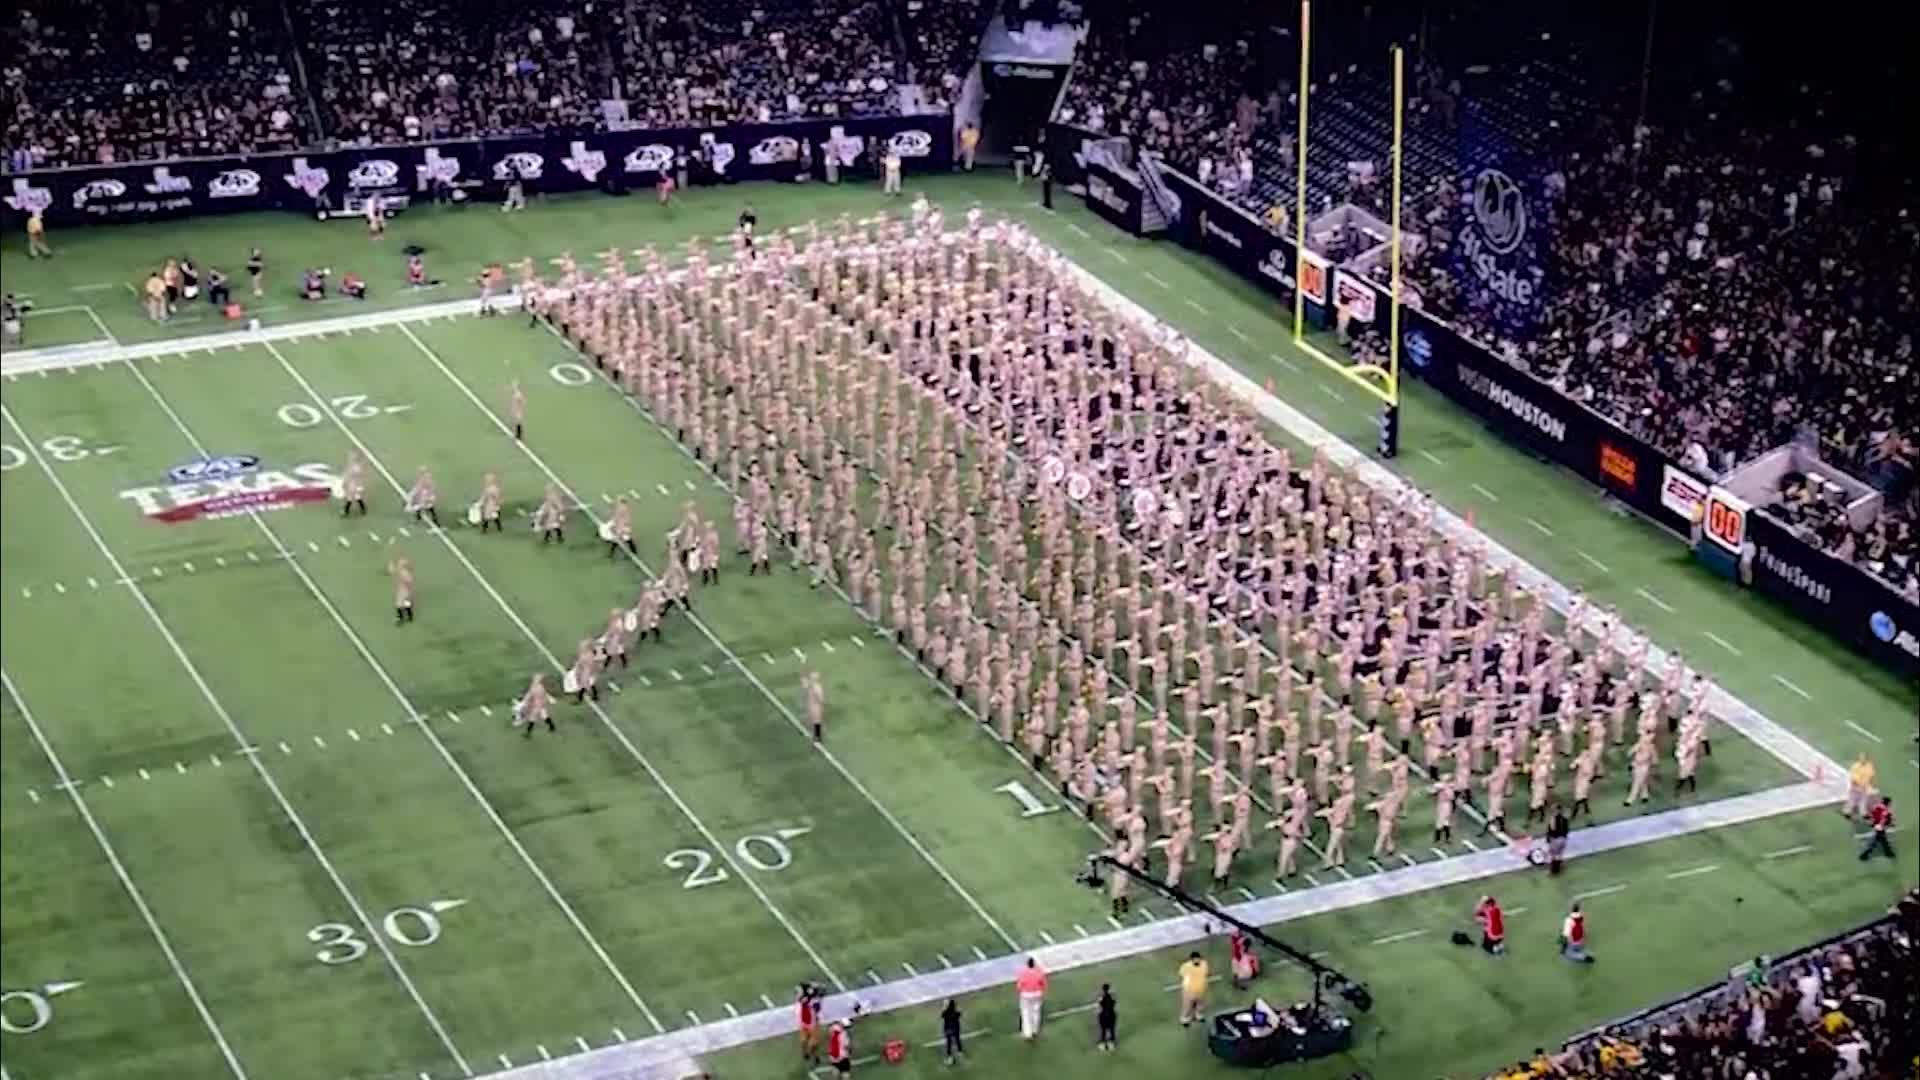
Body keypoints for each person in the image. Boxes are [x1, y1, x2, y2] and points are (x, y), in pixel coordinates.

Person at [1015, 957, 1048, 1039]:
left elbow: (1019, 986)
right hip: (1037, 994)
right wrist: (1042, 992)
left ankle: (1027, 1033)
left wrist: (1021, 992)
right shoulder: (1039, 971)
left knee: (1026, 1013)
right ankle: (1035, 1030)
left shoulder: (1023, 972)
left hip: (1026, 994)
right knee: (1036, 1012)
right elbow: (1044, 983)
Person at [1177, 950, 1209, 1026]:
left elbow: (1206, 973)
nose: (1197, 960)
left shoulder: (1204, 964)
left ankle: (1198, 1015)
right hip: (1189, 990)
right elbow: (1181, 975)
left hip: (1201, 988)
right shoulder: (1186, 966)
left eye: (1198, 958)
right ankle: (1184, 1019)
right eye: (1195, 959)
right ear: (1191, 959)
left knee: (1200, 1004)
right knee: (1187, 1006)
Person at [1859, 796, 1894, 861]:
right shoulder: (1886, 810)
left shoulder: (1877, 807)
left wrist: (1868, 819)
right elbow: (1885, 820)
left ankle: (1888, 852)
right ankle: (1865, 854)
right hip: (1880, 828)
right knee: (1876, 841)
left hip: (1876, 826)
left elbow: (1872, 814)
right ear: (1888, 803)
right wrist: (1890, 824)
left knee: (1882, 841)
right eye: (1890, 803)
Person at [1844, 753, 1876, 820]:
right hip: (1856, 786)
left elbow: (1871, 776)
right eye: (1862, 758)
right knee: (1852, 799)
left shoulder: (1869, 766)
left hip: (1865, 786)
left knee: (1863, 800)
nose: (1863, 760)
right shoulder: (1856, 766)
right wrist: (1857, 786)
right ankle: (1848, 812)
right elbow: (1853, 778)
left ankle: (1863, 813)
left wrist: (1871, 785)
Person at [1545, 804, 1571, 875]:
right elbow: (1567, 830)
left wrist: (1548, 838)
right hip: (1563, 839)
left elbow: (1552, 830)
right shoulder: (1564, 819)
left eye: (1553, 809)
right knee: (1559, 854)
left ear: (1556, 810)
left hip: (1555, 839)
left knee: (1553, 855)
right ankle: (1559, 868)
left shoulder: (1553, 818)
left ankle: (1554, 871)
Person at [940, 998, 963, 1064]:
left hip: (948, 1029)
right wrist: (955, 1007)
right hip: (956, 1028)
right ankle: (960, 1052)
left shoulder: (945, 1012)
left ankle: (950, 1056)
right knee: (957, 1039)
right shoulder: (955, 1012)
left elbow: (942, 1015)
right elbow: (959, 1013)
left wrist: (944, 1007)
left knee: (949, 1042)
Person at [1095, 983, 1118, 1051]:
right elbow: (1114, 1002)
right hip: (1112, 1015)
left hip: (1103, 1015)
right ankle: (1111, 1044)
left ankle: (1102, 1044)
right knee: (1112, 1029)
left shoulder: (1101, 997)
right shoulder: (1112, 997)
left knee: (1103, 1030)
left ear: (1103, 989)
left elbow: (1099, 1003)